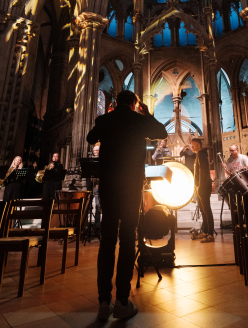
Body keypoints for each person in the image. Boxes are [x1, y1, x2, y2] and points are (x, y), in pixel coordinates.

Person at [87, 90, 167, 321]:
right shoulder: (138, 119)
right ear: (134, 104)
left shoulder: (106, 119)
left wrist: (104, 119)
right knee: (128, 238)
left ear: (115, 103)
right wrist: (147, 114)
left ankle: (104, 301)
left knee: (108, 239)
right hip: (131, 186)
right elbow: (161, 132)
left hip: (109, 186)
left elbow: (91, 138)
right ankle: (122, 301)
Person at [189, 138, 214, 243]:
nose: (192, 147)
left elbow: (203, 172)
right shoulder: (199, 154)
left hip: (203, 186)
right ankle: (204, 231)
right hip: (200, 186)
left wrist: (199, 186)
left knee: (206, 209)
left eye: (193, 145)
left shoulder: (201, 155)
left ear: (198, 145)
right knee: (203, 210)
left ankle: (210, 234)